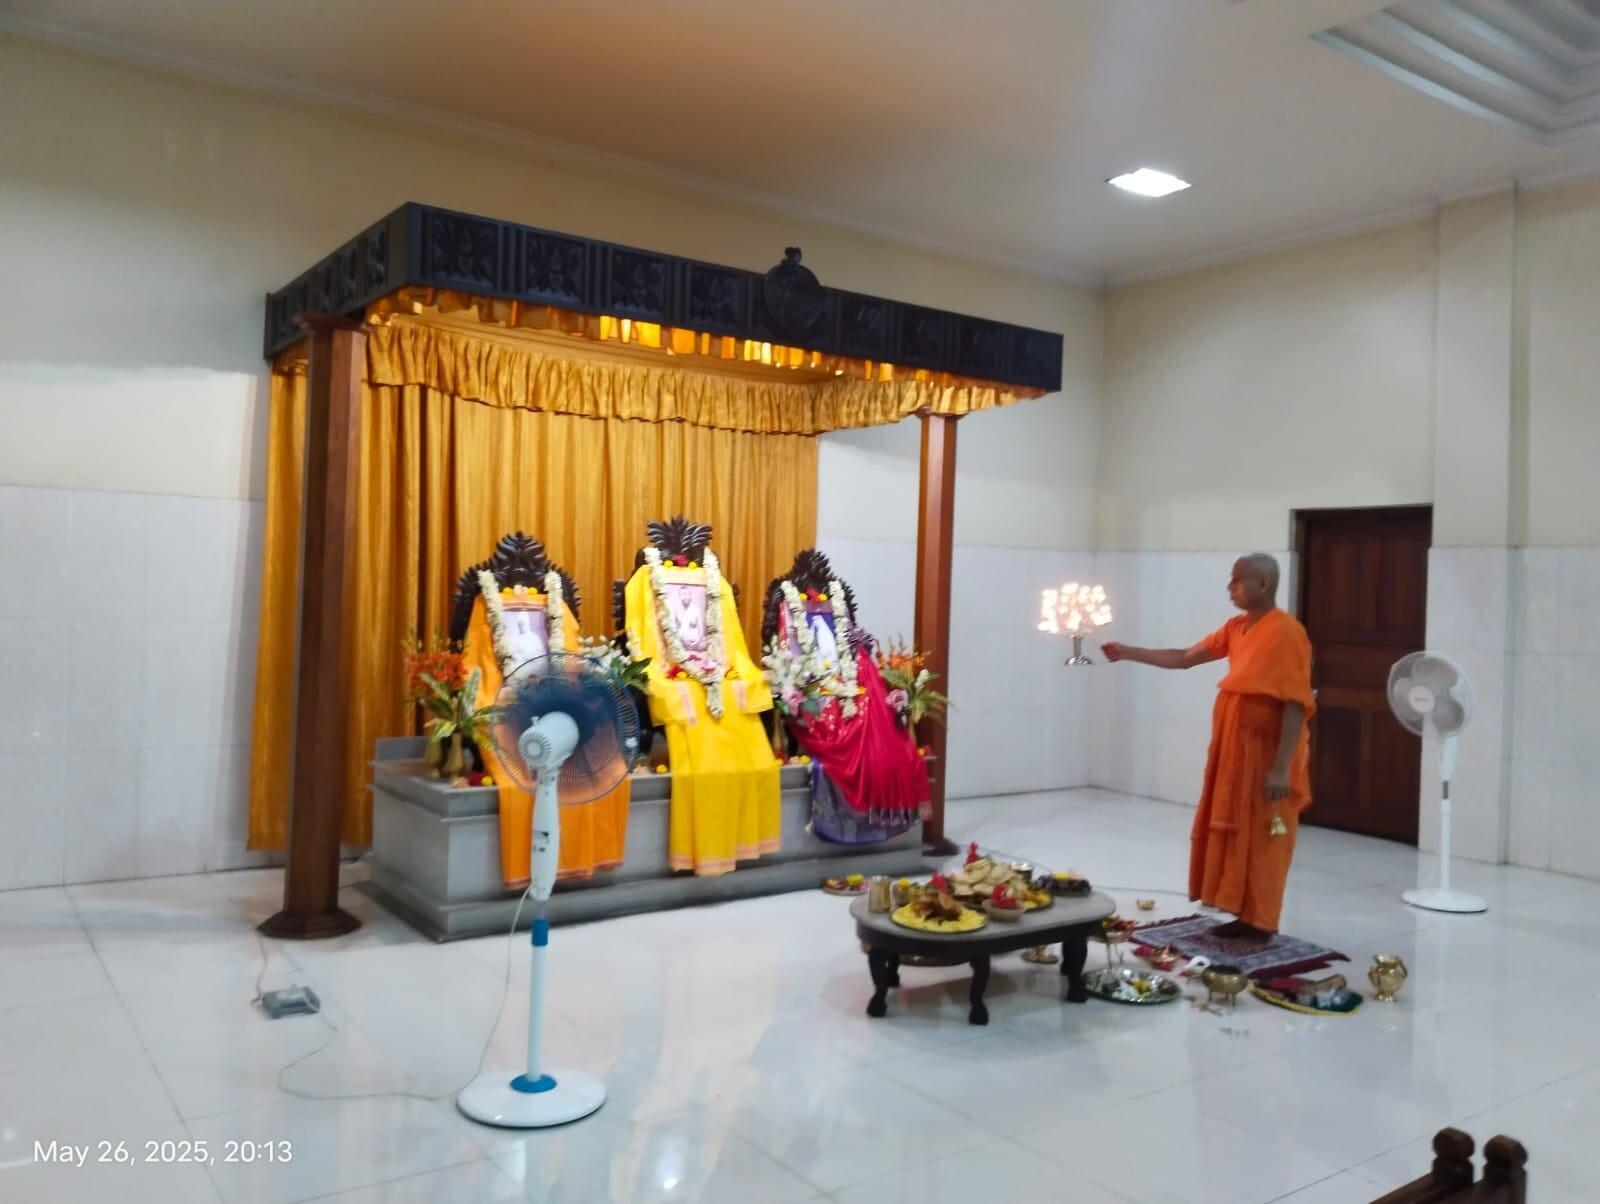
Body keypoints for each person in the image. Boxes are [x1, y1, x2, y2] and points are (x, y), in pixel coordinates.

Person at [1103, 554, 1315, 939]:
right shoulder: (1236, 628)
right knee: (1235, 829)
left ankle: (1263, 921)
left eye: (1237, 581)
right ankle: (1241, 912)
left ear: (1263, 584)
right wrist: (1129, 652)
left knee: (1266, 835)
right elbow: (1185, 658)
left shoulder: (1287, 632)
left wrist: (1281, 767)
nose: (1229, 589)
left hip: (1268, 753)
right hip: (1234, 748)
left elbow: (1295, 703)